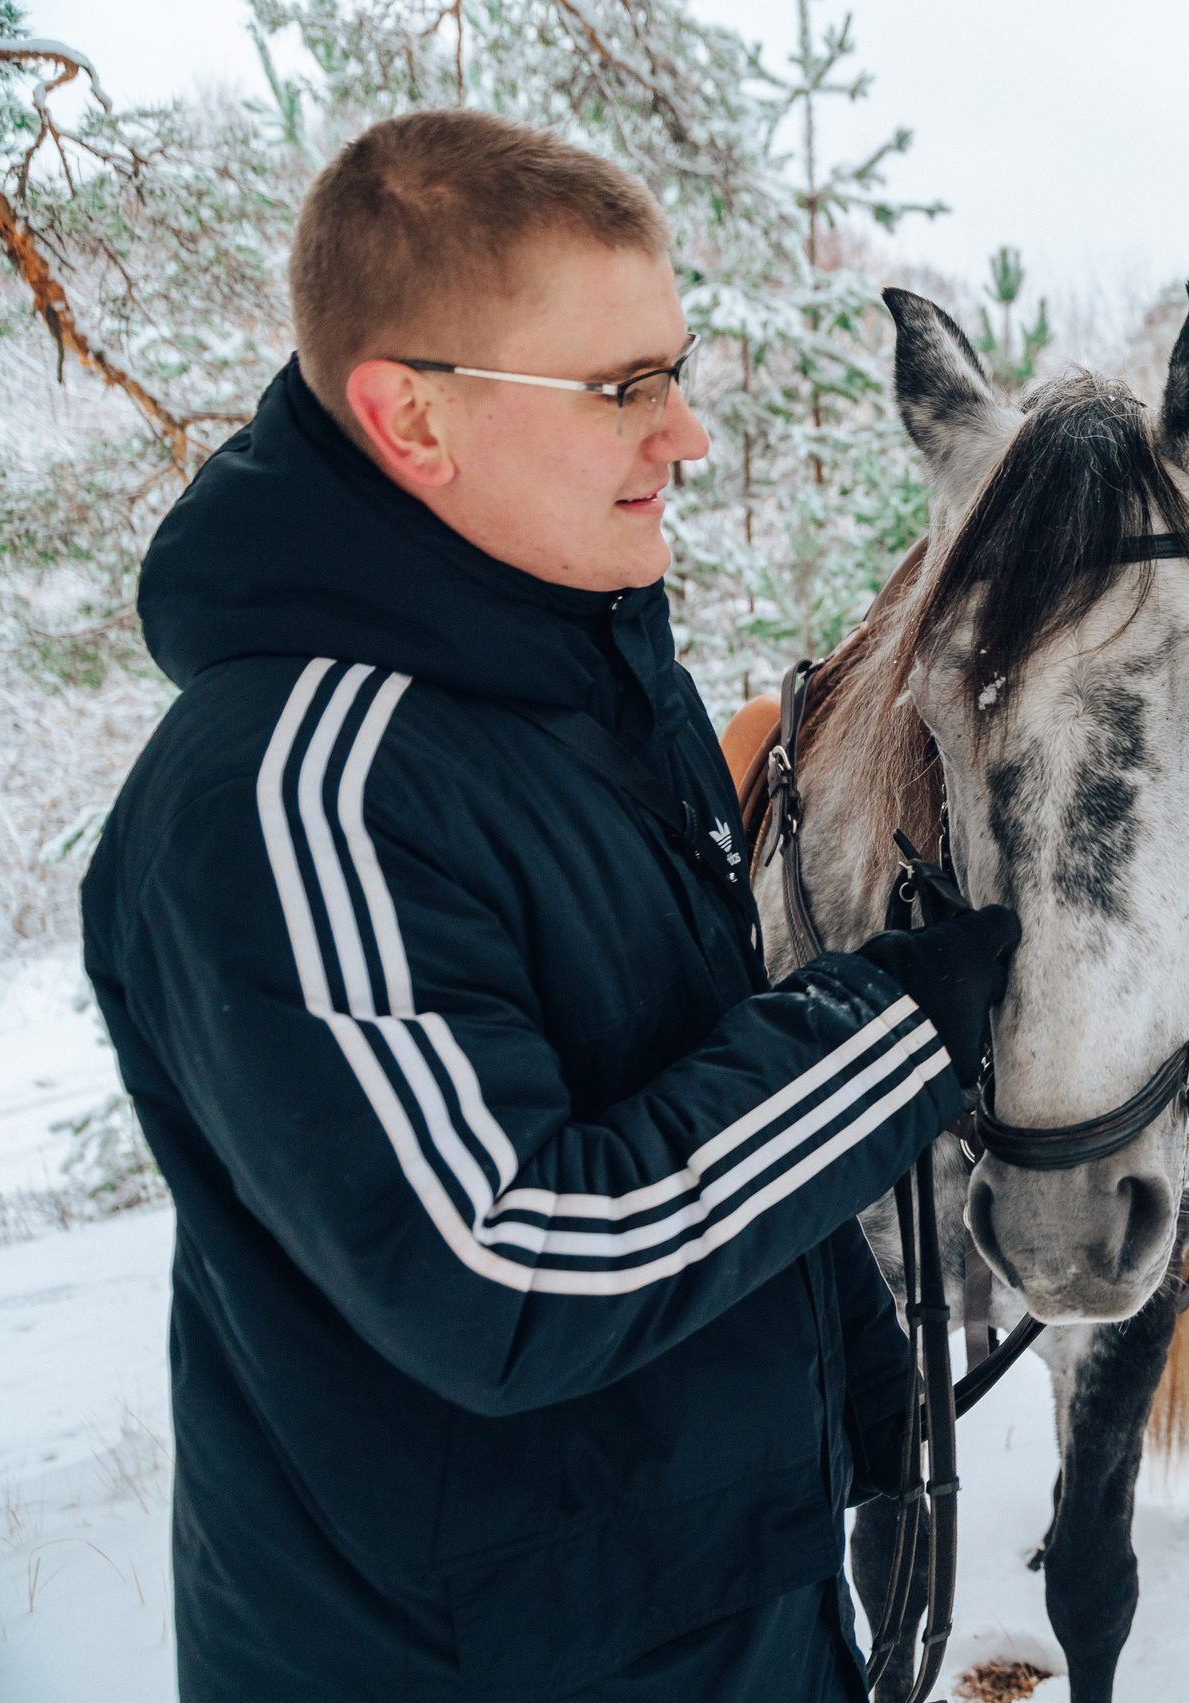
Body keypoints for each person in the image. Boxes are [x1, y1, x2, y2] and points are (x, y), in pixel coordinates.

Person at [79, 109, 1017, 1702]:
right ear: (412, 419)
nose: (688, 435)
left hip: (704, 1612)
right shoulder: (296, 796)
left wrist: (860, 1410)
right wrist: (896, 1025)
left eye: (679, 367)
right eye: (621, 388)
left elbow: (663, 1065)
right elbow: (511, 1264)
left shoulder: (576, 702)